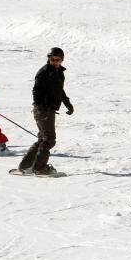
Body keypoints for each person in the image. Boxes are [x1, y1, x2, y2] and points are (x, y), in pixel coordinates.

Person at [17, 47, 74, 175]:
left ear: (62, 60)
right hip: (43, 110)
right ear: (48, 58)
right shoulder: (44, 72)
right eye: (52, 59)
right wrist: (41, 106)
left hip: (49, 109)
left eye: (57, 60)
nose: (54, 61)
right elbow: (36, 91)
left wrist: (67, 103)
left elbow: (60, 90)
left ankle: (25, 165)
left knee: (43, 139)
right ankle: (39, 167)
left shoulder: (59, 72)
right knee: (49, 139)